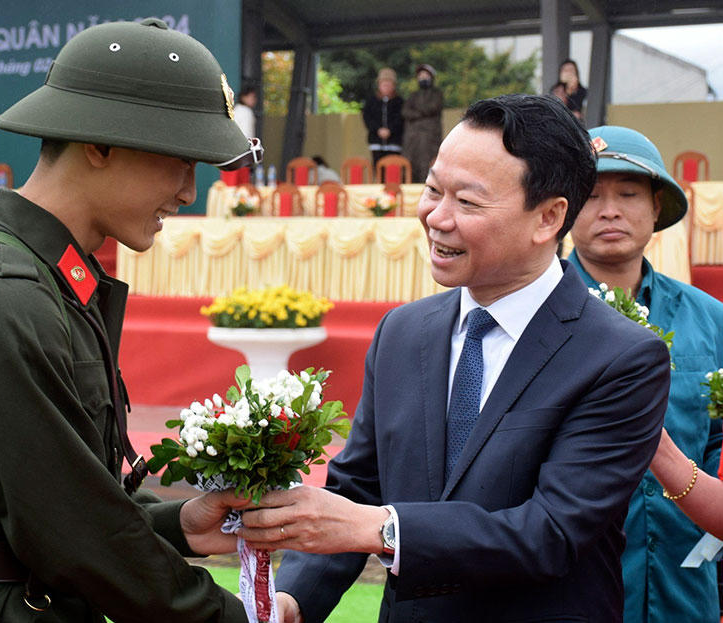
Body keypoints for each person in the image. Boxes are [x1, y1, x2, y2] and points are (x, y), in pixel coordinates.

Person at [0, 18, 262, 622]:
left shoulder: (49, 283)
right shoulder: (3, 298)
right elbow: (77, 536)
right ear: (99, 145)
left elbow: (68, 496)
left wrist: (176, 523)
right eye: (180, 160)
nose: (189, 190)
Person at [239, 94, 671, 622]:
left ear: (548, 218)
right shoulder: (403, 331)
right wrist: (294, 599)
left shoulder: (621, 358)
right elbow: (356, 489)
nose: (436, 218)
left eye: (467, 202)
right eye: (433, 190)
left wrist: (381, 528)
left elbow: (551, 532)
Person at [568, 125, 723, 623]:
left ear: (657, 207)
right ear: (562, 209)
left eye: (629, 194)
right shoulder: (531, 316)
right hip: (569, 584)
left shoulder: (709, 317)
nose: (609, 210)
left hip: (686, 583)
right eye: (590, 195)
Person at [402, 63, 443, 183]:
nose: (423, 78)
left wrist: (416, 113)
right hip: (412, 140)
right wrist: (421, 114)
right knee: (411, 168)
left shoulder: (437, 94)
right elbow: (405, 112)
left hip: (430, 140)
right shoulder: (412, 95)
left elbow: (432, 108)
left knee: (427, 168)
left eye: (425, 75)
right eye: (420, 76)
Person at [362, 67, 404, 169]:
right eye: (383, 83)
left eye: (389, 83)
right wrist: (378, 130)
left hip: (394, 143)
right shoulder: (371, 101)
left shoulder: (400, 102)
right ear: (379, 85)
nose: (386, 86)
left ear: (394, 85)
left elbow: (401, 118)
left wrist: (390, 130)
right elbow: (367, 118)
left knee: (394, 170)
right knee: (378, 169)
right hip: (376, 142)